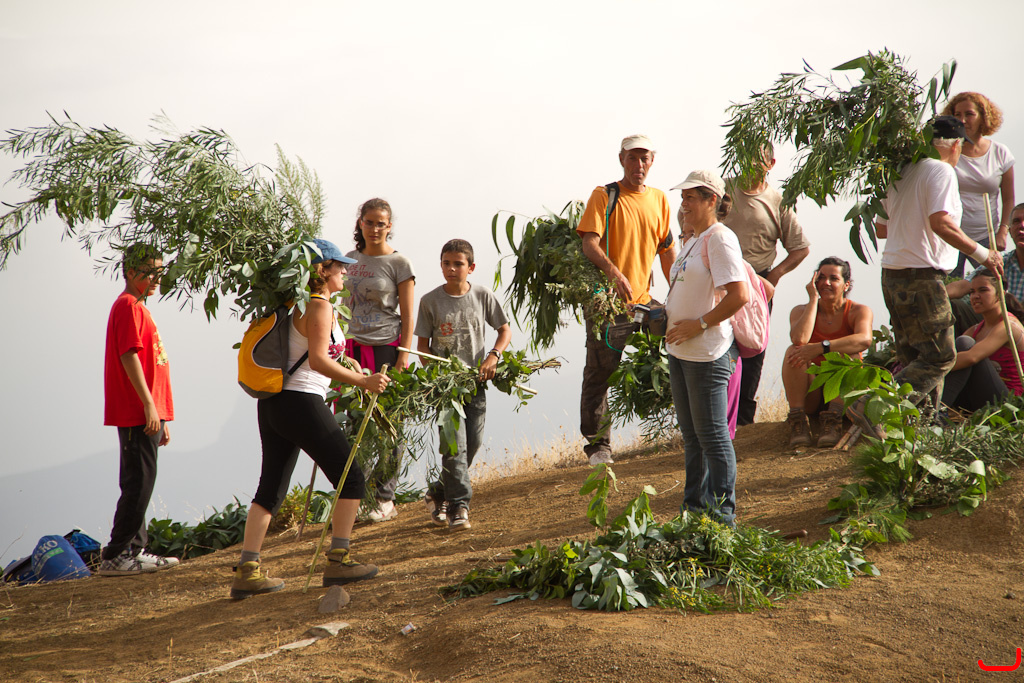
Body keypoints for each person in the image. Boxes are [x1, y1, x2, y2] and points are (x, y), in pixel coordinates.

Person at [230, 238, 391, 600]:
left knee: (271, 487)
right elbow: (317, 361)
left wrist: (348, 364)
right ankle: (338, 561)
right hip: (300, 401)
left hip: (274, 404)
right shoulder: (319, 306)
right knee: (352, 478)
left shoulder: (295, 304)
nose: (345, 272)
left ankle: (248, 571)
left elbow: (315, 354)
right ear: (322, 270)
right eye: (339, 267)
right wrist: (364, 382)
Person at [855, 116, 1004, 437]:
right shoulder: (941, 170)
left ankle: (921, 430)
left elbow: (881, 228)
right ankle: (873, 405)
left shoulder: (902, 172)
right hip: (921, 278)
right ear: (955, 145)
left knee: (915, 358)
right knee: (940, 357)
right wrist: (984, 254)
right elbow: (941, 223)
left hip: (893, 275)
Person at [577, 134, 676, 466]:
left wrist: (678, 290)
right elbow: (589, 243)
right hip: (608, 303)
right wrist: (613, 272)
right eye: (632, 158)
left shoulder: (659, 199)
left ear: (652, 161)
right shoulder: (605, 195)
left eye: (645, 158)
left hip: (644, 302)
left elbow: (667, 252)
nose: (639, 164)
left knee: (678, 347)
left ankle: (683, 426)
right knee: (601, 372)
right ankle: (598, 447)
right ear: (622, 159)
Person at [664, 170, 749, 527]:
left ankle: (722, 517)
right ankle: (694, 512)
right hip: (681, 352)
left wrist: (698, 324)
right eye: (682, 197)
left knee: (713, 436)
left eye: (690, 197)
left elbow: (740, 295)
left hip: (708, 353)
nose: (683, 204)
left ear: (711, 199)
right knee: (693, 438)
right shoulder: (694, 240)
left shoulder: (720, 238)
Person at [415, 239, 511, 531]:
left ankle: (437, 492)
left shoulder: (482, 295)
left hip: (475, 384)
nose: (452, 269)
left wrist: (493, 356)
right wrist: (436, 376)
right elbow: (422, 347)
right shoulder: (430, 301)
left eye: (458, 264)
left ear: (471, 267)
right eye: (446, 263)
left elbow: (504, 330)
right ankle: (459, 507)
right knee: (454, 448)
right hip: (446, 389)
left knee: (472, 444)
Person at [97, 244, 181, 576]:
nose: (158, 278)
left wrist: (160, 412)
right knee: (139, 481)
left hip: (148, 411)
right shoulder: (128, 305)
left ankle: (134, 550)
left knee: (143, 479)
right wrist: (148, 404)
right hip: (136, 410)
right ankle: (116, 554)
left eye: (160, 272)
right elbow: (129, 355)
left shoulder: (139, 307)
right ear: (132, 273)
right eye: (151, 272)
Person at [723, 142, 810, 425]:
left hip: (757, 286)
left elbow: (800, 248)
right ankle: (717, 417)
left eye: (757, 158)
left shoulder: (777, 201)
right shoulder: (722, 189)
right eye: (745, 155)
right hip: (720, 281)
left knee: (752, 350)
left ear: (770, 163)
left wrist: (773, 276)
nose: (750, 163)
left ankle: (743, 421)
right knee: (717, 346)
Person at [343, 198, 415, 523]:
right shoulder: (348, 260)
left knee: (389, 424)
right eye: (369, 222)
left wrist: (403, 357)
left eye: (380, 223)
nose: (374, 229)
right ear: (360, 223)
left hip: (387, 347)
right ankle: (358, 496)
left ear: (389, 226)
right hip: (352, 350)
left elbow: (409, 315)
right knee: (355, 424)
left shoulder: (399, 263)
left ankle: (385, 496)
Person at [782, 258, 873, 448]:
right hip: (813, 393)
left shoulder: (858, 310)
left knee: (852, 356)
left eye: (834, 278)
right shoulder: (800, 311)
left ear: (846, 285)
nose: (826, 283)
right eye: (821, 278)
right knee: (793, 351)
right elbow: (799, 339)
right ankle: (798, 421)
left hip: (844, 395)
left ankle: (832, 421)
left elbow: (864, 340)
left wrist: (821, 347)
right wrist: (813, 300)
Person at [940, 92, 1015, 277]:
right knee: (951, 288)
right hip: (953, 235)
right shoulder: (947, 151)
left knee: (993, 285)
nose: (963, 120)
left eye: (969, 114)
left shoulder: (1000, 153)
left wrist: (1002, 232)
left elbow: (1008, 199)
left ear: (983, 117)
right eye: (957, 115)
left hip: (986, 236)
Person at [942, 268, 1024, 410]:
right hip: (980, 399)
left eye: (983, 290)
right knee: (962, 342)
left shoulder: (1008, 325)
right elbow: (951, 353)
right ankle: (938, 407)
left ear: (1000, 293)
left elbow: (971, 357)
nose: (975, 296)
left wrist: (933, 367)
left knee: (965, 346)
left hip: (1008, 404)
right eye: (972, 292)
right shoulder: (975, 329)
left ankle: (937, 409)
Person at [946, 203, 1024, 334]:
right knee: (955, 306)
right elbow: (963, 286)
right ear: (1010, 231)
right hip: (997, 325)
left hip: (1017, 329)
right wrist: (933, 295)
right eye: (1017, 221)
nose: (1022, 225)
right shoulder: (999, 261)